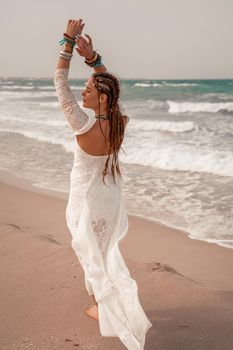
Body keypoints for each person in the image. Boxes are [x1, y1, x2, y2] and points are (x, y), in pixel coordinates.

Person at [54, 18, 153, 350]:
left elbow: (59, 82)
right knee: (103, 251)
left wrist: (67, 42)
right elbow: (113, 88)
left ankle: (102, 307)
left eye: (91, 88)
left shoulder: (82, 126)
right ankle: (105, 304)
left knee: (90, 253)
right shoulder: (120, 123)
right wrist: (94, 60)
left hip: (84, 200)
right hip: (110, 199)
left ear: (102, 100)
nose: (84, 89)